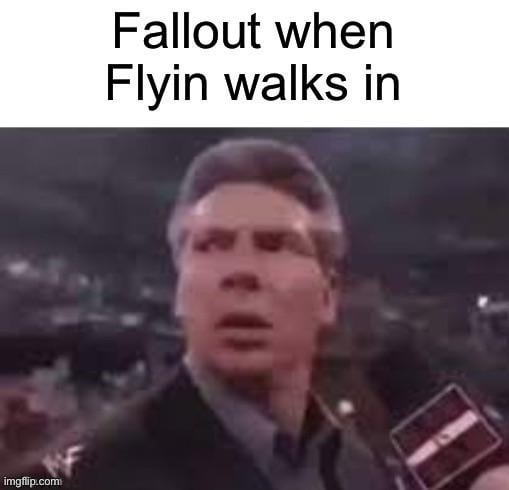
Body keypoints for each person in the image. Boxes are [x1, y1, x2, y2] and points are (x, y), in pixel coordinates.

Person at [24, 139, 394, 490]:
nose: (241, 270)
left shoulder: (360, 473)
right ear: (179, 290)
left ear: (328, 295)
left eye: (275, 245)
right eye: (211, 245)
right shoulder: (76, 477)